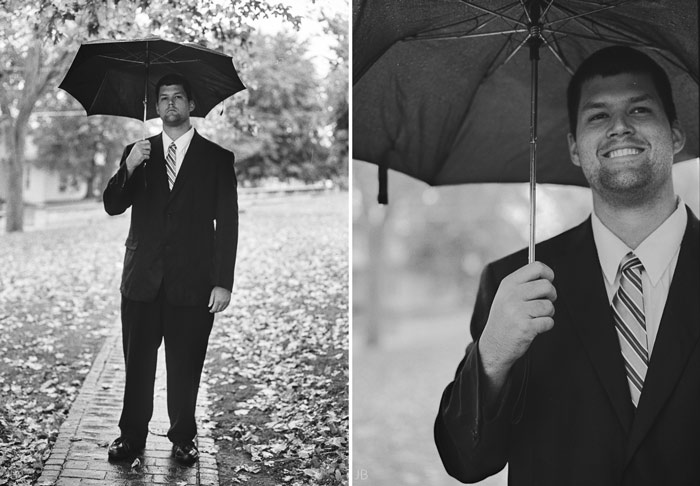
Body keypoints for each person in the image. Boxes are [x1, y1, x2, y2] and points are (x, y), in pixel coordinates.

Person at [434, 46, 699, 485]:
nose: (619, 126)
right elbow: (467, 462)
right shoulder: (514, 283)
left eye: (639, 108)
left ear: (675, 135)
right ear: (576, 148)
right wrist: (493, 354)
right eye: (597, 116)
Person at [103, 73, 238, 465]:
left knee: (185, 365)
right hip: (141, 281)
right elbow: (113, 205)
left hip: (192, 284)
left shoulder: (217, 158)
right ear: (156, 107)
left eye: (179, 97)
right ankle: (130, 438)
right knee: (138, 366)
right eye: (163, 98)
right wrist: (128, 167)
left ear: (191, 105)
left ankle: (183, 438)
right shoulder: (137, 152)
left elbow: (227, 223)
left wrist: (222, 282)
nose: (171, 104)